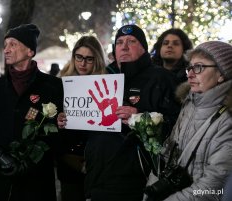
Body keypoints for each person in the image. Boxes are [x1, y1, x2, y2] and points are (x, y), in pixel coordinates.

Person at [79, 24, 180, 201]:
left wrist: (139, 115)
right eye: (119, 42)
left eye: (131, 41)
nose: (124, 46)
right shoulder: (102, 78)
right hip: (96, 177)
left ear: (144, 48)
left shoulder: (162, 79)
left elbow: (177, 126)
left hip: (135, 180)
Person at [0, 23, 63, 201]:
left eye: (13, 44)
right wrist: (0, 156)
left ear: (30, 51)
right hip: (4, 176)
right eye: (5, 45)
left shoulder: (52, 86)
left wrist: (32, 159)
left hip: (38, 180)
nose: (6, 50)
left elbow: (57, 130)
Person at [146, 41, 232, 201]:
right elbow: (166, 156)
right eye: (190, 68)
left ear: (221, 74)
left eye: (199, 67)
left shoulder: (228, 120)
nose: (191, 74)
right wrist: (150, 192)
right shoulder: (189, 104)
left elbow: (212, 188)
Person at [56, 35, 106, 201]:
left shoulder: (107, 83)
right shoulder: (61, 81)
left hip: (98, 158)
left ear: (97, 59)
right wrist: (57, 119)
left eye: (89, 59)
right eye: (79, 57)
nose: (83, 63)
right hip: (68, 159)